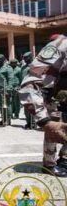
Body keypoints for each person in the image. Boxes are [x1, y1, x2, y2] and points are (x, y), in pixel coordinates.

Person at [19, 34, 67, 177]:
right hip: (58, 102)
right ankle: (54, 163)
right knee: (55, 129)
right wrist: (45, 121)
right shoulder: (61, 45)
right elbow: (29, 86)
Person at [0, 54, 13, 126]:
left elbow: (11, 79)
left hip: (5, 90)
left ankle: (8, 119)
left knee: (7, 105)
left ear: (3, 60)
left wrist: (8, 89)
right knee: (1, 105)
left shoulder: (8, 68)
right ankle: (3, 118)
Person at [20, 52, 35, 129]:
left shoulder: (35, 66)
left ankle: (33, 123)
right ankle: (28, 122)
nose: (25, 60)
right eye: (24, 58)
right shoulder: (23, 68)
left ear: (30, 57)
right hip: (24, 90)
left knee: (33, 107)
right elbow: (21, 78)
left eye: (26, 58)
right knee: (26, 107)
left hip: (33, 90)